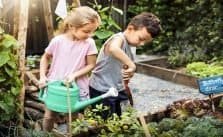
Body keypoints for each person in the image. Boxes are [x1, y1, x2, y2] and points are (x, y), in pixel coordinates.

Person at [38, 6, 101, 132]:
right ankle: (45, 135)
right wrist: (42, 76)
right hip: (55, 85)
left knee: (73, 117)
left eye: (92, 31)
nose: (90, 35)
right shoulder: (58, 41)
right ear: (72, 26)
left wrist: (74, 75)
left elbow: (91, 65)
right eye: (86, 31)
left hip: (75, 87)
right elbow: (45, 58)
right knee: (49, 116)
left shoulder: (89, 43)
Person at [89, 12, 161, 118]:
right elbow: (114, 49)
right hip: (102, 90)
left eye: (145, 42)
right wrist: (132, 65)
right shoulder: (118, 39)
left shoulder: (132, 45)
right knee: (104, 122)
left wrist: (129, 74)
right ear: (131, 28)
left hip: (117, 88)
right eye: (141, 39)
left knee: (121, 117)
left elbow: (123, 66)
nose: (142, 44)